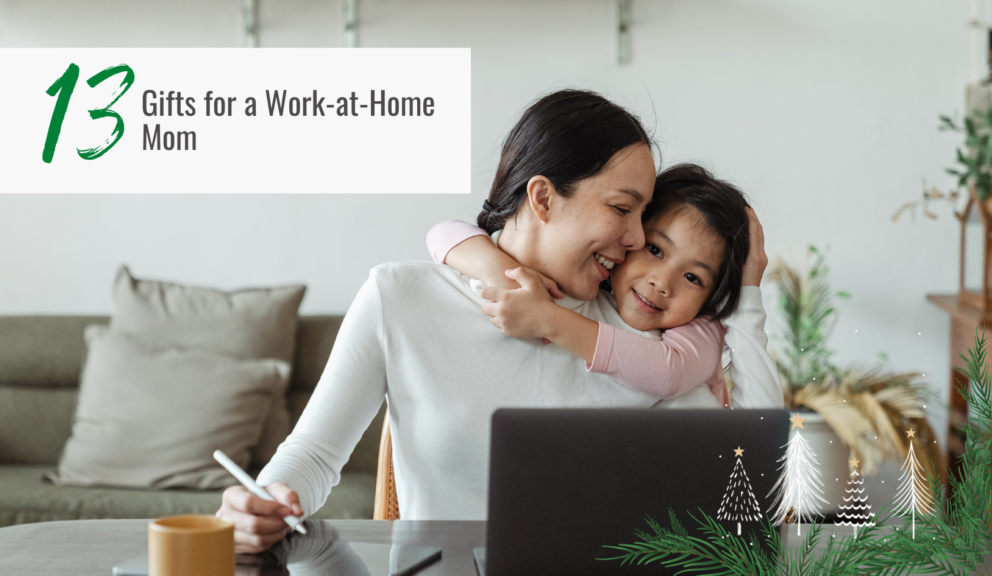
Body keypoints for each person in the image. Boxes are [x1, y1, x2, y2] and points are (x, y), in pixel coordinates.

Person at [216, 90, 782, 554]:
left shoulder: (647, 339)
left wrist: (748, 295)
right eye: (620, 209)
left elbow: (753, 478)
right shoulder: (400, 297)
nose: (636, 239)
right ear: (542, 197)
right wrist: (264, 499)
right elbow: (314, 455)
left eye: (643, 216)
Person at [425, 164, 770, 408]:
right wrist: (501, 271)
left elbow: (668, 373)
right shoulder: (592, 287)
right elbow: (442, 232)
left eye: (694, 278)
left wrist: (748, 295)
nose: (661, 283)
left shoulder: (701, 329)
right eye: (655, 249)